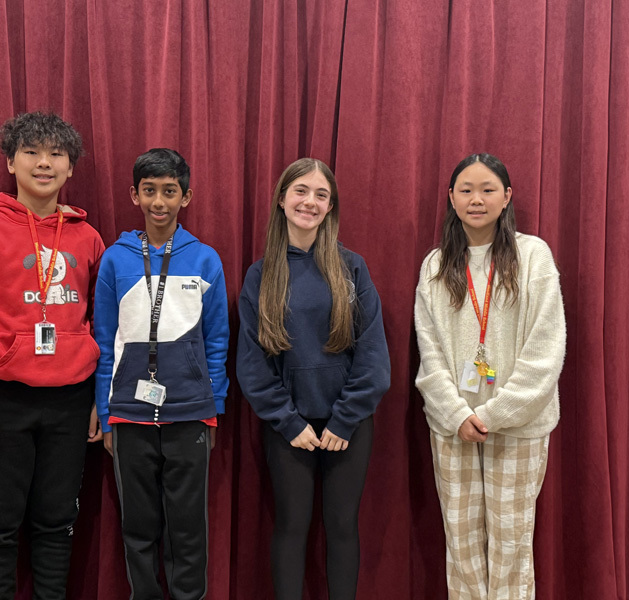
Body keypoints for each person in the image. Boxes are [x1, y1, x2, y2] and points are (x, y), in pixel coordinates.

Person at [0, 111, 105, 599]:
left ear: (71, 168)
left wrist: (100, 397)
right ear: (10, 162)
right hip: (3, 401)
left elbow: (103, 323)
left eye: (56, 154)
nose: (44, 163)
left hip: (72, 401)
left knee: (57, 523)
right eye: (32, 152)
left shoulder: (89, 238)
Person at [237, 158, 390, 600]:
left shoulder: (352, 268)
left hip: (349, 426)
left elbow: (374, 355)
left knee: (342, 526)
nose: (310, 201)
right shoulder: (261, 274)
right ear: (282, 200)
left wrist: (345, 419)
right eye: (301, 191)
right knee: (290, 526)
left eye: (321, 195)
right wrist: (288, 422)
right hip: (290, 428)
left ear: (330, 207)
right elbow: (252, 363)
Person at [414, 153, 566, 599]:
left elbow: (546, 349)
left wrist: (497, 413)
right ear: (451, 198)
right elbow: (430, 353)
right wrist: (457, 413)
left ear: (507, 198)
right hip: (453, 427)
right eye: (466, 190)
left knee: (510, 545)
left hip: (519, 426)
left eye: (487, 190)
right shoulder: (436, 265)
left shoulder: (532, 255)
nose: (476, 199)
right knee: (460, 545)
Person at [93, 148, 229, 600]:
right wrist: (105, 410)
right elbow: (104, 339)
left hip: (190, 413)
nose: (158, 202)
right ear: (134, 194)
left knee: (188, 530)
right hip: (129, 414)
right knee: (138, 528)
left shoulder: (205, 259)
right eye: (149, 191)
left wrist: (214, 406)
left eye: (169, 191)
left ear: (185, 197)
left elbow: (216, 341)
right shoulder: (116, 259)